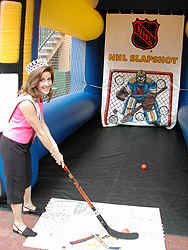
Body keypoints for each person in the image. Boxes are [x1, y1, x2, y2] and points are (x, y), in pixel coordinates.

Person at [0, 58, 64, 237]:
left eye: (49, 79)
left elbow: (43, 125)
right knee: (16, 182)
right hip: (12, 145)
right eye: (42, 80)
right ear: (34, 81)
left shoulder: (38, 98)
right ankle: (18, 224)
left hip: (24, 144)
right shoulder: (27, 103)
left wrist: (56, 148)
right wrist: (53, 152)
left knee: (27, 175)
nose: (47, 83)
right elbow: (39, 131)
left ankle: (27, 205)